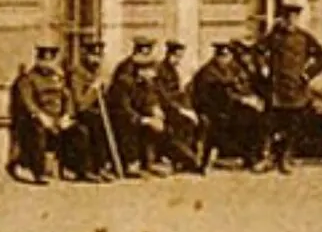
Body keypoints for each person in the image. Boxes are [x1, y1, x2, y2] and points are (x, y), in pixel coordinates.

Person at [256, 2, 322, 173]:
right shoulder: (274, 36)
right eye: (288, 17)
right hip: (276, 87)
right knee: (270, 124)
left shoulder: (304, 37)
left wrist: (308, 74)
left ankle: (286, 158)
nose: (291, 21)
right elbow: (258, 51)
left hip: (296, 87)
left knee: (293, 125)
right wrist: (263, 67)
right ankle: (266, 157)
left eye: (294, 18)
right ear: (282, 18)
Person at [191, 40, 265, 170]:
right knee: (248, 118)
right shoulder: (209, 71)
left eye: (227, 56)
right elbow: (221, 94)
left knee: (255, 116)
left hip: (230, 108)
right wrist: (244, 100)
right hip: (213, 110)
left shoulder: (233, 67)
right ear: (216, 56)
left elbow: (242, 85)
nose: (225, 60)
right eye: (222, 56)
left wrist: (251, 97)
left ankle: (254, 157)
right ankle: (251, 157)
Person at [8, 42, 72, 184]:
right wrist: (42, 117)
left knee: (79, 130)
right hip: (36, 119)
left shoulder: (58, 78)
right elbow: (28, 102)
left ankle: (76, 167)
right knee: (38, 133)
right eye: (44, 60)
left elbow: (67, 97)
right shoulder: (29, 79)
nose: (48, 64)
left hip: (57, 117)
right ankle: (37, 172)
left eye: (51, 60)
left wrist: (66, 115)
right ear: (38, 61)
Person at [109, 37, 171, 176]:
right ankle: (131, 163)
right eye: (150, 70)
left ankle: (149, 161)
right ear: (140, 70)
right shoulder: (124, 81)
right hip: (121, 116)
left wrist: (155, 110)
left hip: (136, 114)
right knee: (132, 126)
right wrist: (144, 120)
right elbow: (123, 108)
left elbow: (150, 97)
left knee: (158, 123)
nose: (154, 74)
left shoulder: (145, 81)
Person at [60, 39, 117, 182]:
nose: (96, 60)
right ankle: (88, 169)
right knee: (91, 125)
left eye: (99, 56)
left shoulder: (96, 72)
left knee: (106, 121)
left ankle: (102, 166)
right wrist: (93, 89)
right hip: (75, 115)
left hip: (93, 114)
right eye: (92, 56)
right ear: (84, 55)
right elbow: (81, 104)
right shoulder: (77, 74)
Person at [153, 40, 204, 172]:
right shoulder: (160, 70)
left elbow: (180, 94)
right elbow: (163, 96)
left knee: (196, 122)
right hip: (166, 109)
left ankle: (186, 159)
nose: (178, 60)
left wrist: (188, 109)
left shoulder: (173, 71)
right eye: (176, 56)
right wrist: (181, 110)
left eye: (180, 57)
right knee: (183, 123)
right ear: (169, 54)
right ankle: (190, 160)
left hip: (176, 107)